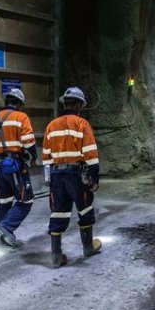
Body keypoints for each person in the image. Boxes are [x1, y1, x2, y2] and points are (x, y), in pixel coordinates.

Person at [41, 86, 102, 267]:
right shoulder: (82, 124)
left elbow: (45, 156)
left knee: (58, 212)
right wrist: (94, 178)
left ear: (65, 104)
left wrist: (49, 179)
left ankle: (56, 256)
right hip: (76, 175)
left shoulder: (51, 126)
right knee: (84, 209)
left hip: (56, 175)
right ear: (79, 105)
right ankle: (88, 247)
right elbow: (90, 154)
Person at [0, 87, 38, 248]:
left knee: (4, 200)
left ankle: (6, 235)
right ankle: (7, 227)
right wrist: (33, 157)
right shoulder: (21, 116)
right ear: (19, 103)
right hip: (14, 166)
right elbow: (29, 142)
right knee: (26, 200)